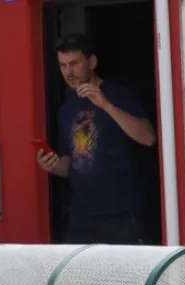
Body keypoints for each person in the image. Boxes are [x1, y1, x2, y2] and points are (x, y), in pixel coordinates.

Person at [36, 32, 156, 244]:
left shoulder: (118, 94)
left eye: (74, 63)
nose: (68, 72)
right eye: (63, 65)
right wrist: (52, 165)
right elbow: (72, 164)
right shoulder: (67, 108)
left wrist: (105, 105)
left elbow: (148, 138)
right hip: (82, 214)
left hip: (121, 211)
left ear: (91, 62)